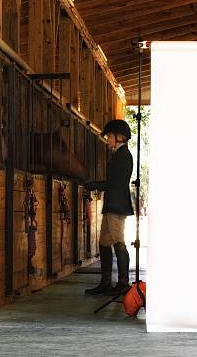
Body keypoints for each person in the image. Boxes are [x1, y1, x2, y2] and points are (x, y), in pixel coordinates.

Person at [84, 119, 134, 296]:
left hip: (117, 205)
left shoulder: (124, 156)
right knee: (104, 242)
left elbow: (116, 183)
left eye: (109, 136)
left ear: (118, 137)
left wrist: (96, 184)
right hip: (112, 204)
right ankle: (105, 283)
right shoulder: (118, 155)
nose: (108, 140)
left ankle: (123, 283)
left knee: (119, 243)